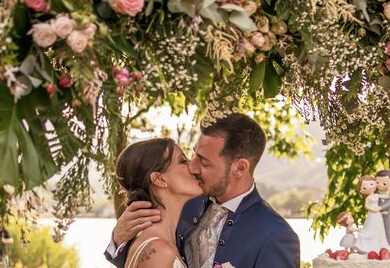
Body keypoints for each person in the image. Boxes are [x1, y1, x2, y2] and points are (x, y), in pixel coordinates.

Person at [104, 113, 300, 268]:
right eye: (193, 155)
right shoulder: (182, 202)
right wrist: (118, 241)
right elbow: (150, 257)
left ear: (239, 167)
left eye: (204, 161)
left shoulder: (274, 235)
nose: (193, 167)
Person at [115, 138, 203, 268]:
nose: (192, 166)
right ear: (160, 179)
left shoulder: (158, 244)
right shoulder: (160, 252)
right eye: (183, 161)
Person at [351, 175, 390, 254]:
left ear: (375, 184)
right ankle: (365, 245)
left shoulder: (376, 195)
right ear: (362, 190)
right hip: (372, 214)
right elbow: (366, 206)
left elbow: (386, 196)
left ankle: (378, 246)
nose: (369, 187)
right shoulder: (368, 198)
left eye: (371, 184)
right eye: (365, 187)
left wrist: (389, 188)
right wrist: (373, 209)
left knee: (378, 229)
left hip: (378, 215)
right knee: (370, 228)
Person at [374, 169, 390, 246]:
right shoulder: (376, 195)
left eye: (384, 183)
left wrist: (380, 208)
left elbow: (388, 204)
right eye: (377, 182)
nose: (380, 185)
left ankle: (389, 247)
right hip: (377, 217)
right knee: (378, 232)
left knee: (387, 231)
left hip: (387, 216)